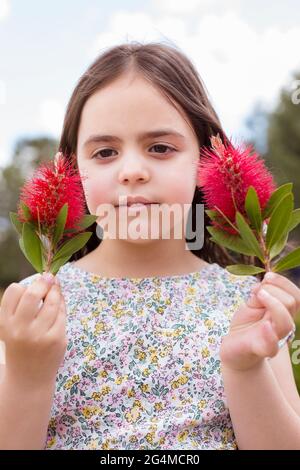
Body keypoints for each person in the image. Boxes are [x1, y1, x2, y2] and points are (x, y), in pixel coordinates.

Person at [0, 42, 300, 451]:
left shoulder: (248, 305)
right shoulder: (33, 308)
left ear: (207, 160)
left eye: (160, 148)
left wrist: (246, 370)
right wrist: (26, 375)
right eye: (105, 152)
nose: (133, 171)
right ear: (69, 171)